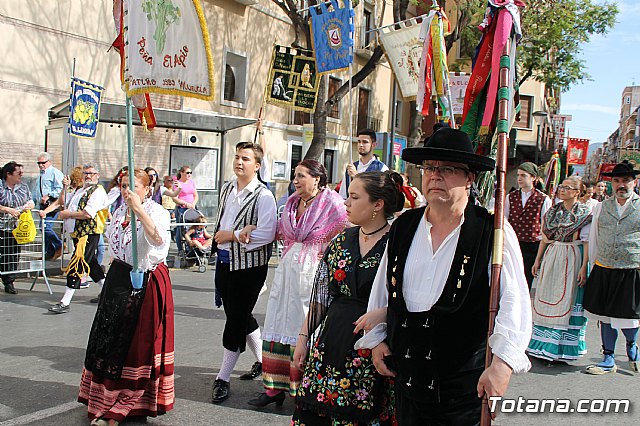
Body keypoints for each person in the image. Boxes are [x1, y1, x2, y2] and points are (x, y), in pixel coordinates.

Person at [355, 128, 532, 424]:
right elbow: (384, 288)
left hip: (463, 388)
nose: (435, 176)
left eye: (448, 169)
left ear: (470, 178)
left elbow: (514, 301)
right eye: (429, 168)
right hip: (406, 381)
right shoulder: (403, 225)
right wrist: (376, 340)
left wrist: (502, 365)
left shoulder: (492, 230)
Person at [291, 171, 404, 425]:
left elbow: (406, 296)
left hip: (372, 343)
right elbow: (322, 296)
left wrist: (386, 312)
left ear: (378, 204)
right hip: (331, 340)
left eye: (354, 197)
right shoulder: (341, 241)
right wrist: (303, 337)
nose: (346, 203)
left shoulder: (397, 244)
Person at [248, 160, 348, 407]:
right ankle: (274, 388)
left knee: (302, 324)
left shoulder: (332, 203)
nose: (296, 180)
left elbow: (346, 233)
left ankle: (303, 388)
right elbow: (279, 232)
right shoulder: (292, 202)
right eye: (295, 175)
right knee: (278, 319)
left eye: (301, 175)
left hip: (313, 269)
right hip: (288, 268)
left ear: (317, 179)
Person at [78, 168, 174, 425]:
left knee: (136, 344)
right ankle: (103, 396)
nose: (126, 190)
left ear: (147, 189)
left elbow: (157, 241)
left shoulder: (157, 212)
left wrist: (140, 211)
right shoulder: (119, 212)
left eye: (133, 186)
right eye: (123, 185)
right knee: (108, 337)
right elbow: (115, 246)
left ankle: (132, 399)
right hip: (119, 277)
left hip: (146, 277)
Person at [210, 142, 277, 404]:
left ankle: (223, 377)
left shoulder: (263, 196)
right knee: (238, 313)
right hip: (225, 261)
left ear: (257, 165)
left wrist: (234, 235)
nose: (239, 162)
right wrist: (217, 239)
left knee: (235, 319)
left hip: (249, 267)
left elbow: (267, 233)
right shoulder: (228, 187)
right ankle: (263, 362)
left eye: (246, 159)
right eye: (237, 157)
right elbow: (223, 218)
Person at [582, 161, 640, 374]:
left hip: (631, 268)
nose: (621, 185)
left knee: (628, 316)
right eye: (616, 181)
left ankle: (632, 348)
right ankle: (608, 358)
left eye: (625, 181)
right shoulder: (601, 207)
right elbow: (595, 237)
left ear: (634, 182)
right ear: (611, 184)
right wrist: (593, 265)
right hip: (605, 267)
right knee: (605, 315)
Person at [527, 177, 592, 365]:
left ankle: (561, 348)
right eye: (561, 187)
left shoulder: (585, 214)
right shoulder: (553, 212)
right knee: (548, 298)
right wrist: (538, 259)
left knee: (568, 301)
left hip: (572, 254)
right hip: (553, 253)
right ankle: (541, 346)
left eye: (567, 188)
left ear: (577, 192)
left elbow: (586, 242)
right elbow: (545, 238)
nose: (562, 190)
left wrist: (583, 267)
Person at [48, 163, 108, 314]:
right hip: (78, 233)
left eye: (91, 173)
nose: (88, 176)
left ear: (97, 175)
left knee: (77, 263)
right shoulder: (81, 190)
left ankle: (65, 301)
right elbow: (64, 202)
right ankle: (108, 292)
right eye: (86, 173)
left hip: (88, 233)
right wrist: (64, 187)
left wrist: (68, 215)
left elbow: (87, 213)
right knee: (92, 263)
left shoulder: (98, 191)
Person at [504, 162, 552, 288]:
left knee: (526, 279)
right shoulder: (511, 197)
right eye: (518, 175)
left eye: (524, 175)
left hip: (532, 245)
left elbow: (545, 226)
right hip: (513, 242)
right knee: (510, 276)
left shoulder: (543, 199)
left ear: (533, 178)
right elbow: (505, 220)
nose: (519, 178)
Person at [0, 162, 35, 294]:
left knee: (13, 255)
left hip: (17, 228)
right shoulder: (0, 186)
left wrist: (29, 207)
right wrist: (7, 209)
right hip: (2, 226)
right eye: (18, 173)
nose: (21, 175)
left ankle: (9, 282)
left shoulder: (23, 187)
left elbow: (31, 201)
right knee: (2, 255)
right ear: (8, 174)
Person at [338, 129, 389, 199]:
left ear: (373, 145)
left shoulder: (382, 169)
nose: (361, 145)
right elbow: (342, 195)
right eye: (359, 142)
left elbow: (382, 195)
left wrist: (356, 176)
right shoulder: (351, 167)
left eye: (365, 142)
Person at [32, 152, 64, 260]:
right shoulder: (41, 174)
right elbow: (37, 190)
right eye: (39, 163)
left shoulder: (55, 173)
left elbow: (60, 189)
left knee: (45, 227)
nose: (41, 165)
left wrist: (49, 195)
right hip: (42, 205)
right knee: (42, 227)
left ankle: (59, 245)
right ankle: (49, 252)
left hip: (52, 204)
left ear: (49, 162)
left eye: (43, 163)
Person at [172, 165, 198, 255]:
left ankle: (193, 246)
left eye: (190, 173)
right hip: (182, 208)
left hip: (192, 207)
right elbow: (175, 198)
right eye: (187, 173)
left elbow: (195, 194)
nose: (189, 174)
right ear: (181, 173)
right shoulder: (177, 183)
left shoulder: (191, 182)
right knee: (181, 228)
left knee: (194, 226)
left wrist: (193, 203)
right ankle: (180, 249)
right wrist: (185, 203)